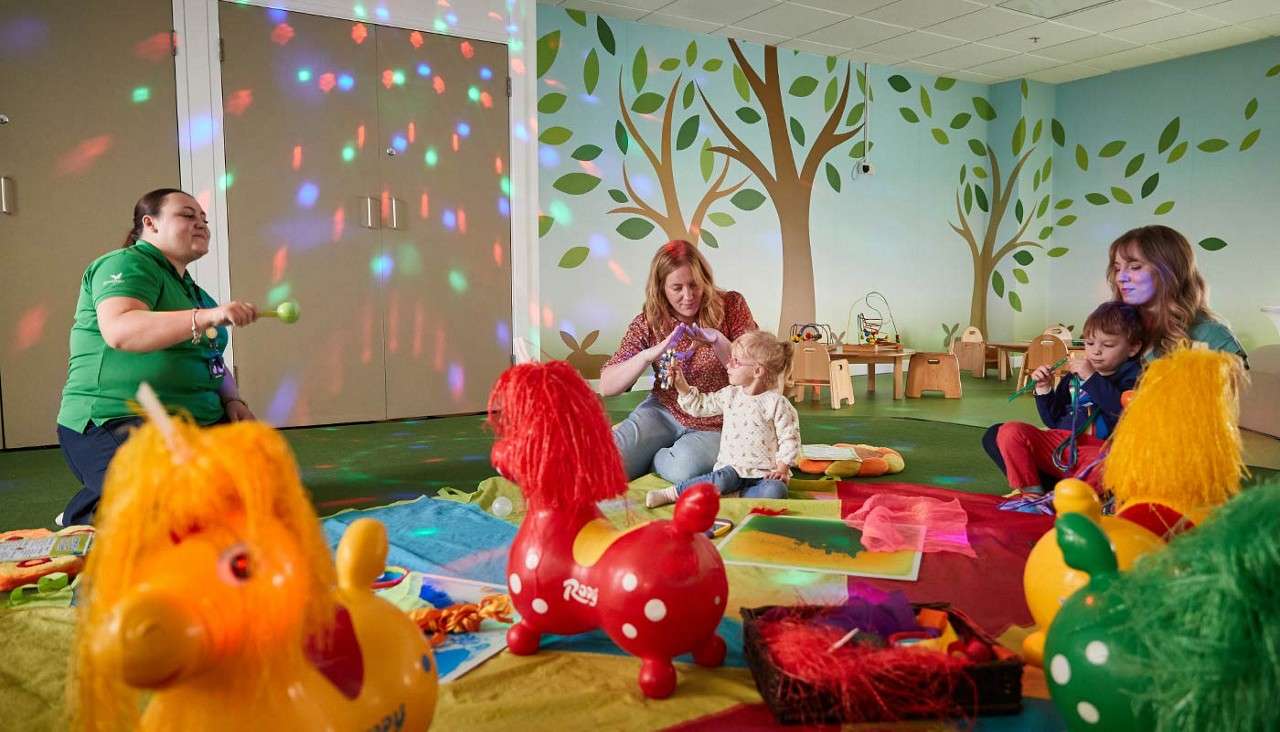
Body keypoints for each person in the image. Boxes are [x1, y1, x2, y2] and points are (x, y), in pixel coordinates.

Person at [56, 188, 260, 526]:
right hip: (117, 418)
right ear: (150, 224)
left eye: (204, 219)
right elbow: (120, 330)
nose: (201, 224)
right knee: (176, 517)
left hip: (196, 423)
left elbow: (212, 358)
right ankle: (94, 509)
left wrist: (232, 400)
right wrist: (205, 317)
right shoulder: (125, 263)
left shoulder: (196, 294)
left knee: (259, 491)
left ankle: (111, 495)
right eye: (187, 215)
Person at [602, 241, 758, 483]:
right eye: (677, 288)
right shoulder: (648, 321)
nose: (688, 296)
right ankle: (647, 448)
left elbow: (754, 371)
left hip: (717, 419)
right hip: (664, 410)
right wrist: (647, 355)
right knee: (606, 465)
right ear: (661, 288)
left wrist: (717, 339)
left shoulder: (732, 306)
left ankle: (655, 457)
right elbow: (607, 385)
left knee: (684, 470)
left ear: (705, 280)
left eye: (694, 285)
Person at [982, 302, 1144, 495]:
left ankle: (1065, 493)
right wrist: (1044, 389)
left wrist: (1092, 378)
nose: (1096, 351)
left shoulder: (1135, 377)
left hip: (1098, 452)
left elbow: (1125, 414)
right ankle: (1032, 493)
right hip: (1061, 446)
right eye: (1089, 343)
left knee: (1112, 466)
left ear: (1133, 348)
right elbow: (1054, 421)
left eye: (1108, 345)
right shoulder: (1074, 376)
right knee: (1004, 433)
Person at [645, 331, 798, 508]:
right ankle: (671, 494)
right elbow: (700, 405)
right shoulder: (729, 395)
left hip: (765, 474)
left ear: (757, 371)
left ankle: (735, 495)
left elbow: (790, 439)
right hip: (731, 470)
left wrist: (782, 469)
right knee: (721, 479)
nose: (728, 364)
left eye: (736, 361)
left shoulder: (777, 403)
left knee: (776, 491)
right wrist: (682, 386)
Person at [1108, 224, 1246, 364]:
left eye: (1135, 267)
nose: (1120, 278)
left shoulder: (1212, 336)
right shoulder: (1113, 330)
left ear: (1170, 271)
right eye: (1117, 268)